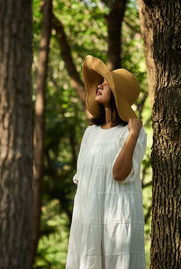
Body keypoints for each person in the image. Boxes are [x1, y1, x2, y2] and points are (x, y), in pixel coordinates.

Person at [66, 55, 147, 269]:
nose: (99, 85)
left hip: (118, 219)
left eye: (106, 83)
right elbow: (84, 185)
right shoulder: (90, 133)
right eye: (100, 82)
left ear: (117, 94)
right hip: (90, 219)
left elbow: (119, 173)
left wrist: (132, 136)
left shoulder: (133, 133)